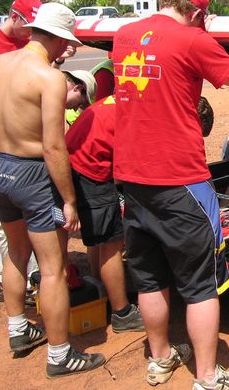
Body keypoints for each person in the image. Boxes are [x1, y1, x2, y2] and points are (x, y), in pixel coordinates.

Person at [111, 0, 229, 389]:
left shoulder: (123, 36)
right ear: (196, 14)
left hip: (133, 180)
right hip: (181, 181)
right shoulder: (191, 39)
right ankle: (208, 377)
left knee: (150, 278)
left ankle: (159, 359)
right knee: (201, 284)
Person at [0, 2, 105, 378]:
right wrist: (69, 200)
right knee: (52, 270)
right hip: (32, 173)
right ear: (59, 36)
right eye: (68, 42)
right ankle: (60, 354)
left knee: (16, 254)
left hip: (2, 168)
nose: (69, 49)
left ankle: (19, 330)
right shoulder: (48, 79)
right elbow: (53, 146)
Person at [0, 0, 43, 303]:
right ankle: (10, 280)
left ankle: (29, 276)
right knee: (3, 220)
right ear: (13, 17)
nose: (30, 34)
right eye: (27, 27)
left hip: (21, 149)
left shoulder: (25, 48)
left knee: (28, 220)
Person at [65, 95, 145, 333]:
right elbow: (128, 169)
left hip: (73, 161)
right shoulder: (138, 111)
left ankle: (103, 290)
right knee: (112, 242)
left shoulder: (121, 98)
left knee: (99, 238)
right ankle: (122, 312)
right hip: (89, 168)